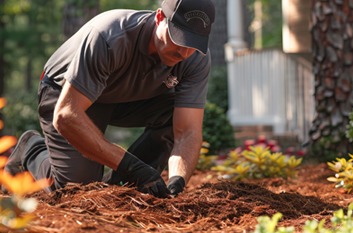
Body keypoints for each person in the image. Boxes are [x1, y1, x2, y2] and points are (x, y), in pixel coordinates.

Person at [4, 0, 215, 198]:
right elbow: (66, 115)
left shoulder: (195, 58)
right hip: (67, 95)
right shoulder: (111, 36)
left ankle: (122, 185)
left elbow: (188, 130)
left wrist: (178, 180)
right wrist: (134, 166)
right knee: (78, 192)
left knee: (175, 113)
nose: (183, 51)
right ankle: (32, 149)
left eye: (192, 43)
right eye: (178, 38)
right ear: (160, 17)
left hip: (123, 97)